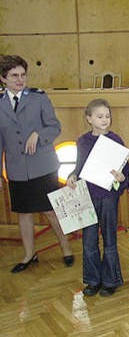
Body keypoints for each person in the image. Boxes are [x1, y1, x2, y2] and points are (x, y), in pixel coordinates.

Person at [0, 55, 73, 273]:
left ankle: (66, 248)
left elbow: (54, 127)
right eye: (14, 76)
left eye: (23, 74)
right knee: (24, 212)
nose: (20, 79)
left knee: (50, 210)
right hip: (16, 169)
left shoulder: (39, 98)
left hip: (43, 165)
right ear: (3, 78)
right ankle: (29, 254)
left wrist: (38, 135)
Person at [67, 99, 129, 297]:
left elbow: (125, 172)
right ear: (89, 118)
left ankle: (111, 280)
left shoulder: (116, 140)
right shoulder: (82, 141)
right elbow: (79, 167)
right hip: (88, 195)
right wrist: (72, 176)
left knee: (110, 239)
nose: (105, 120)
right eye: (100, 116)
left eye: (107, 116)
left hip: (108, 197)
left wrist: (122, 178)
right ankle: (93, 280)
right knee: (89, 240)